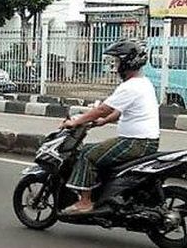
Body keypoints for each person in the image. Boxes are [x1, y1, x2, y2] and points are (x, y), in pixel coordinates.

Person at [60, 39, 160, 214]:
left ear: (127, 62)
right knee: (96, 151)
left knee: (86, 154)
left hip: (134, 142)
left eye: (117, 61)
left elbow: (103, 109)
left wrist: (76, 121)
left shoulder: (130, 86)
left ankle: (85, 202)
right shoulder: (143, 83)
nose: (115, 65)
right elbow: (117, 111)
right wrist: (104, 121)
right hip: (143, 141)